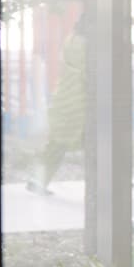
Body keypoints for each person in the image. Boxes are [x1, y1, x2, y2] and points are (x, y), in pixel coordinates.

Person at [29, 16, 87, 195]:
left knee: (57, 141)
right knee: (97, 141)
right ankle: (110, 184)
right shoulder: (88, 45)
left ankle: (38, 179)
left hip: (63, 95)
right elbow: (88, 73)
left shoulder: (71, 39)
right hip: (78, 99)